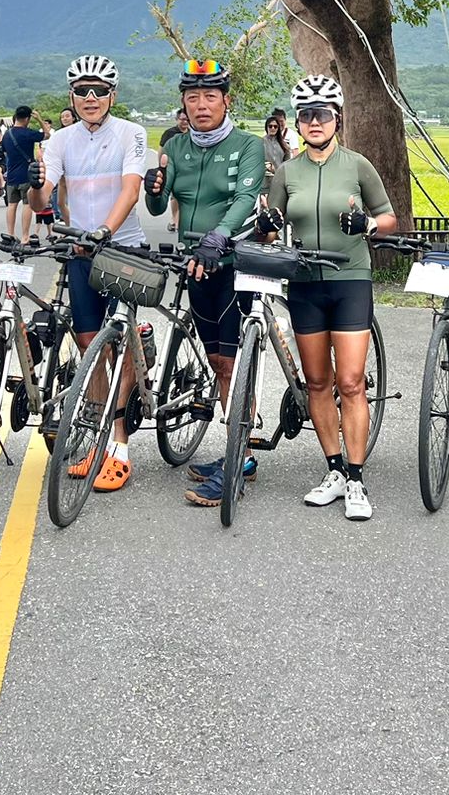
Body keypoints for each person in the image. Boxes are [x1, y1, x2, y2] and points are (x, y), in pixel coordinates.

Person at [260, 75, 396, 521]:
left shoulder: (357, 165)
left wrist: (369, 227)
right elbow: (272, 227)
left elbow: (389, 217)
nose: (314, 121)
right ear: (297, 122)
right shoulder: (287, 171)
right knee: (317, 382)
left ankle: (357, 479)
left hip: (350, 280)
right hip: (304, 283)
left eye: (323, 114)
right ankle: (334, 470)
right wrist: (267, 224)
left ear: (337, 119)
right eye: (306, 114)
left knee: (351, 381)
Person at [144, 58, 266, 507]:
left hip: (234, 263)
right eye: (192, 98)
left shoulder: (248, 144)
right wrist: (153, 188)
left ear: (225, 101)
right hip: (195, 265)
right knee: (217, 363)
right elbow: (158, 210)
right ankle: (241, 447)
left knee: (235, 364)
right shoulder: (176, 148)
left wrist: (219, 237)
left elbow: (244, 198)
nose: (200, 105)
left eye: (209, 96)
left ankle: (241, 456)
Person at [42, 57, 150, 492]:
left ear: (113, 95)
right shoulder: (60, 140)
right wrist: (36, 185)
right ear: (71, 96)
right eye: (82, 90)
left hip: (122, 247)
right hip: (81, 249)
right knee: (90, 346)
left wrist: (107, 228)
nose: (91, 98)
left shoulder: (131, 133)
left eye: (100, 90)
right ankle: (100, 441)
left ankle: (120, 447)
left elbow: (131, 187)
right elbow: (40, 199)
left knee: (118, 343)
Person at [0, 105, 47, 243]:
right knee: (27, 205)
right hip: (26, 175)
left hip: (12, 175)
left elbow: (5, 152)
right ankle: (25, 236)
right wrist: (39, 120)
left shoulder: (7, 135)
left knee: (12, 205)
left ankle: (10, 234)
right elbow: (47, 134)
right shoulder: (28, 133)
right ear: (27, 118)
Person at [262, 110, 292, 177]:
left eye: (275, 126)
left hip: (279, 178)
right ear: (266, 127)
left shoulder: (284, 145)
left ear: (278, 128)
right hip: (264, 179)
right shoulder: (260, 143)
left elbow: (287, 164)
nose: (273, 128)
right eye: (270, 126)